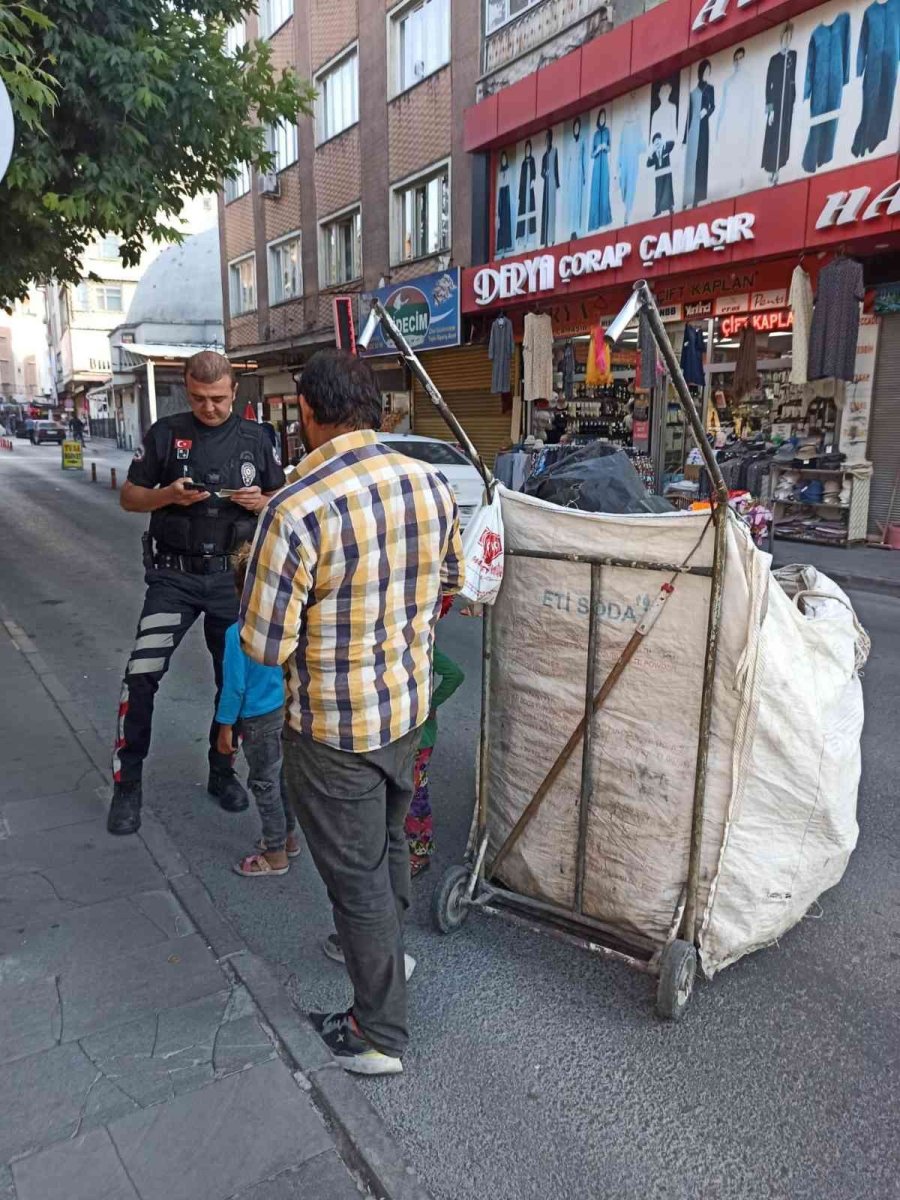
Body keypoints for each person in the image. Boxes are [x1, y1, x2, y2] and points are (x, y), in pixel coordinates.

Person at [240, 349, 464, 1076]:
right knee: (388, 842)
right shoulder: (429, 484)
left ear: (306, 413)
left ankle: (377, 1034)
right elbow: (452, 583)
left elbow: (264, 646)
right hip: (405, 707)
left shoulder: (294, 509)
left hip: (335, 730)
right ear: (376, 411)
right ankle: (387, 955)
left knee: (357, 878)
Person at [106, 350, 285, 836]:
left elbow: (284, 502)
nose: (209, 408)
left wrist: (262, 500)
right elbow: (128, 497)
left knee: (235, 684)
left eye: (219, 399)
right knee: (140, 676)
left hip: (233, 580)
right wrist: (167, 495)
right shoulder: (166, 433)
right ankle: (128, 786)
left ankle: (221, 772)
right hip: (174, 579)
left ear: (235, 392)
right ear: (188, 389)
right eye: (200, 398)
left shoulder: (256, 438)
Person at [215, 542, 300, 877]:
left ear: (239, 590)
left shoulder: (237, 634)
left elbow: (233, 688)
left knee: (264, 784)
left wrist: (225, 727)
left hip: (256, 721)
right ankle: (288, 838)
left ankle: (275, 853)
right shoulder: (284, 625)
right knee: (281, 779)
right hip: (283, 711)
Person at [404, 599, 464, 877]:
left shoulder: (422, 646)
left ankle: (420, 851)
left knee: (416, 796)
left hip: (419, 738)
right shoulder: (415, 643)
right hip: (404, 732)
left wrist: (430, 705)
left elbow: (455, 675)